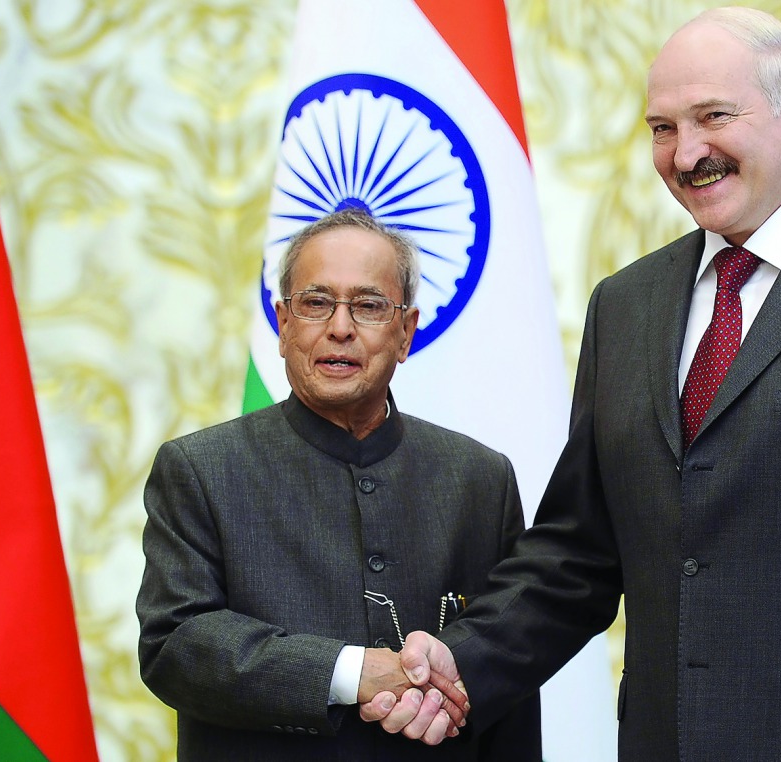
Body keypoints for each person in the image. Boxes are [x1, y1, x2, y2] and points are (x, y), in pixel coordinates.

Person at [361, 7, 781, 760]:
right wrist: (460, 663)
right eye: (662, 128)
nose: (686, 152)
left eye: (712, 117)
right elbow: (580, 554)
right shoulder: (625, 306)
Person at [136, 208, 540, 760]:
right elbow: (175, 646)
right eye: (316, 302)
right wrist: (350, 672)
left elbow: (507, 675)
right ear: (283, 324)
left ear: (405, 332)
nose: (341, 327)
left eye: (370, 306)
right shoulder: (201, 468)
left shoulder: (479, 478)